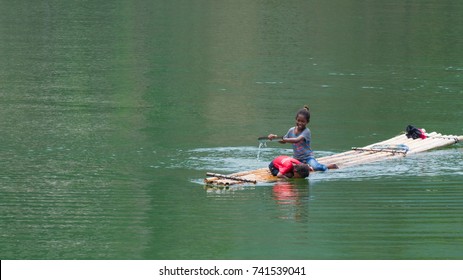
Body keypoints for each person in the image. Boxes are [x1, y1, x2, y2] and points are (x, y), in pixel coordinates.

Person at [268, 105, 338, 171]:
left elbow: (296, 140)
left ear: (307, 122)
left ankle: (328, 166)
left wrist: (283, 138)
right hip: (297, 159)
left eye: (303, 121)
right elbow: (283, 141)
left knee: (316, 167)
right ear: (296, 119)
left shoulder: (306, 131)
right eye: (298, 120)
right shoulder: (291, 130)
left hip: (308, 158)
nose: (300, 123)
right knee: (289, 169)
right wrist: (275, 137)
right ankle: (307, 167)